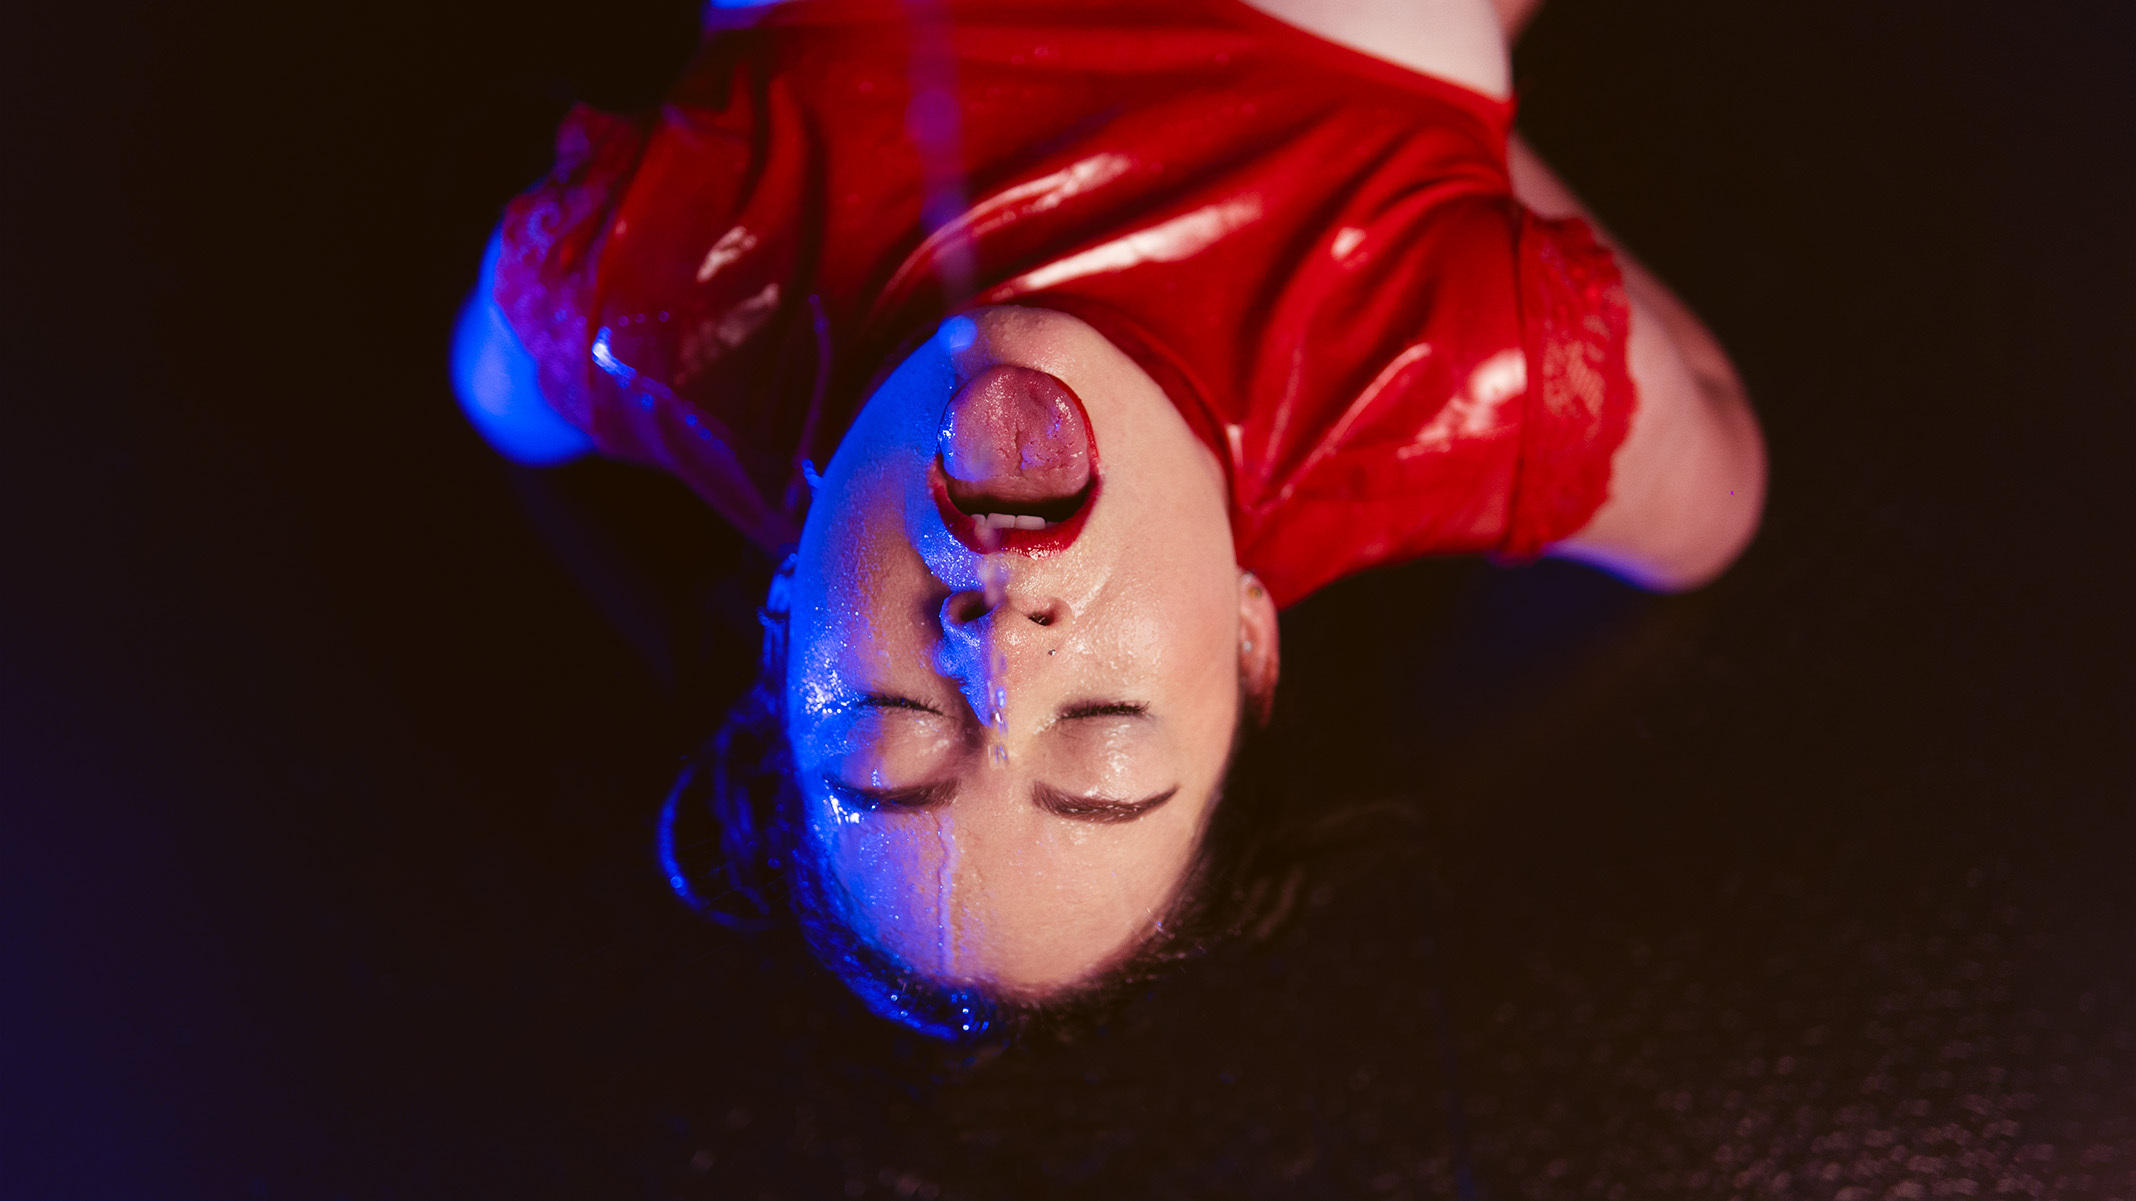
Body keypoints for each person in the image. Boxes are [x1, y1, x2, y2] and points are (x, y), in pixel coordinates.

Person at [452, 0, 1766, 1036]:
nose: (1000, 652)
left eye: (893, 722)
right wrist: (1446, 156)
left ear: (786, 614)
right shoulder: (1460, 376)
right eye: (1100, 733)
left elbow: (491, 393)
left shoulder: (648, 293)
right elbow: (1718, 488)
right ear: (1249, 645)